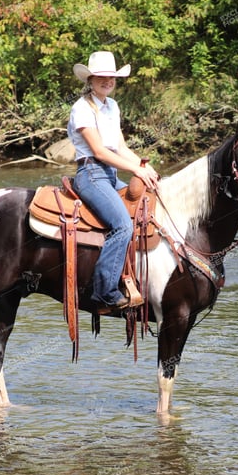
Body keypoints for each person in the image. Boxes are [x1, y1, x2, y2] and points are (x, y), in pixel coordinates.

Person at [67, 50, 160, 310]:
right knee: (122, 225)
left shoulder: (112, 106)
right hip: (91, 174)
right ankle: (105, 291)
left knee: (149, 208)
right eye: (102, 77)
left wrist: (143, 166)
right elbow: (99, 152)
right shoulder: (82, 108)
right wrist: (136, 171)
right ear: (91, 79)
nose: (108, 81)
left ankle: (139, 278)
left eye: (112, 77)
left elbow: (120, 147)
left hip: (110, 174)